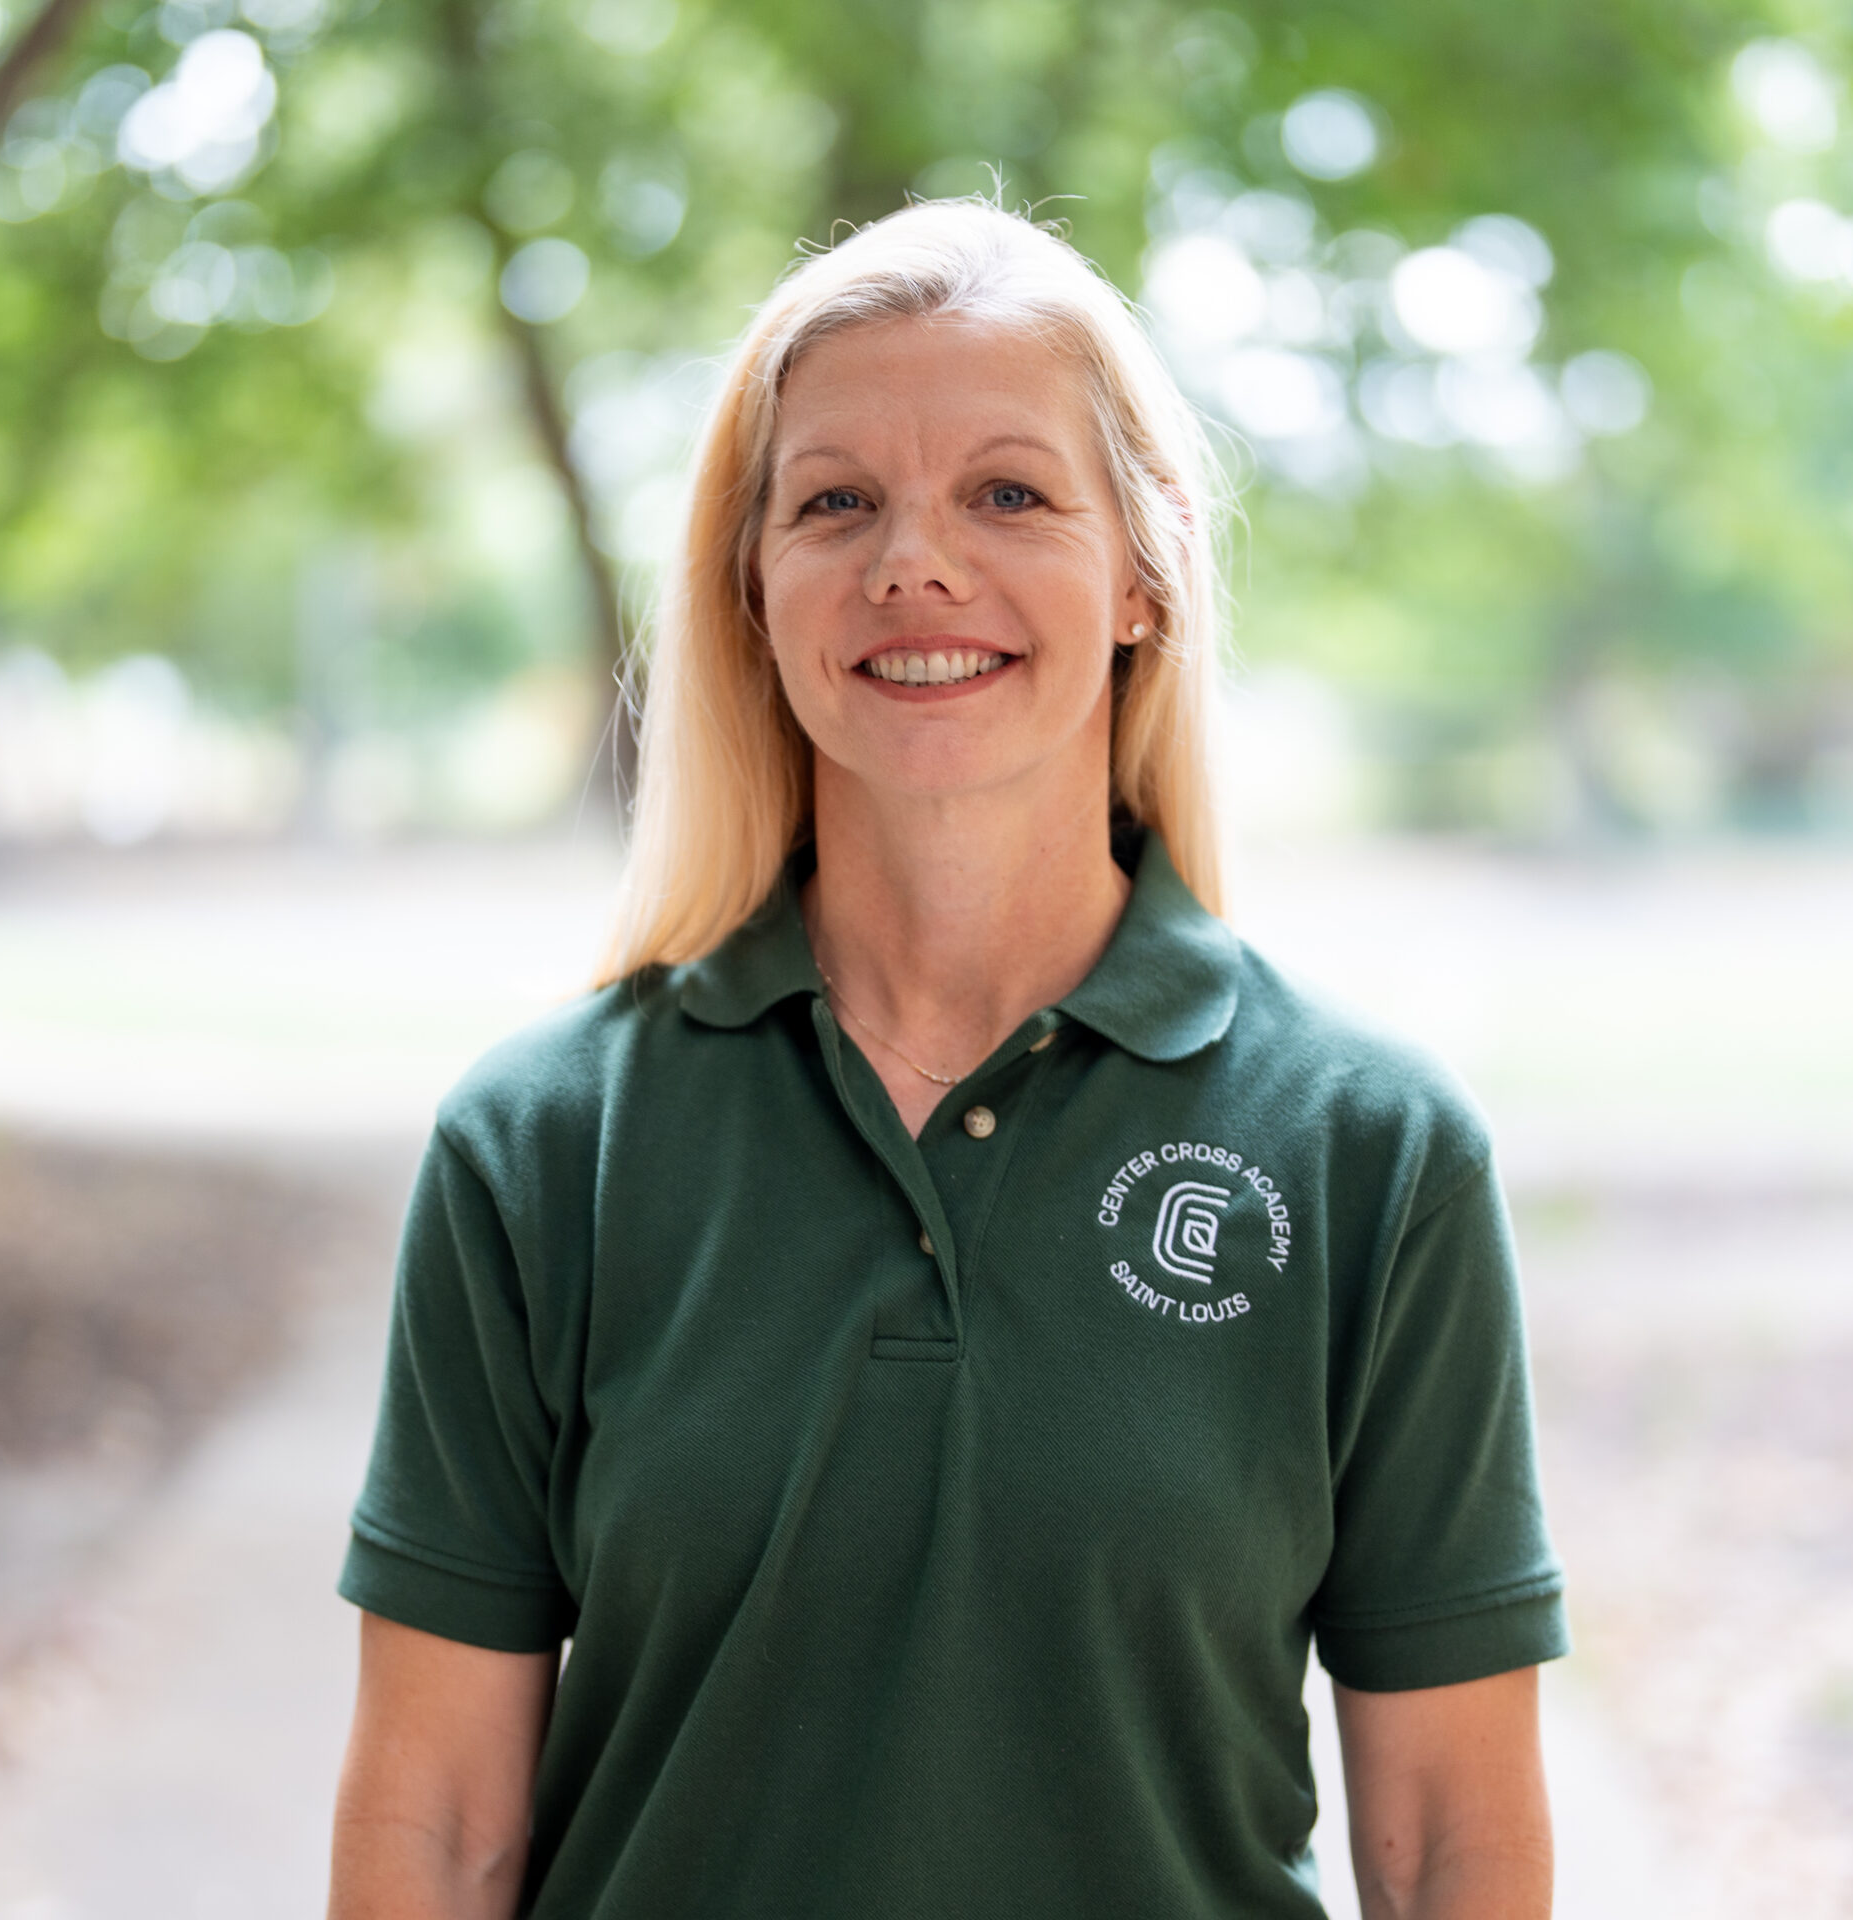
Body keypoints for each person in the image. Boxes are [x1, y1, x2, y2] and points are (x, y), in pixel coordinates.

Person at [327, 199, 1566, 1920]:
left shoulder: (1371, 1148)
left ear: (1143, 571)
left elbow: (1449, 1841)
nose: (914, 563)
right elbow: (434, 1825)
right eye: (835, 502)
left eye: (1009, 492)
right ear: (752, 592)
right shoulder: (544, 1149)